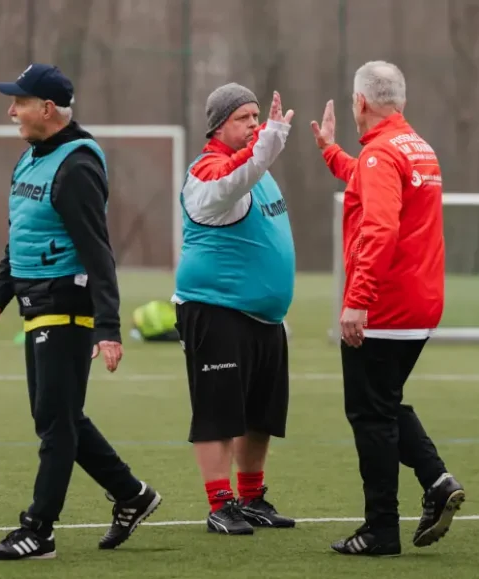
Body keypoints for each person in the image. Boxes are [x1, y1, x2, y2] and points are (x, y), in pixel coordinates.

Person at [0, 63, 161, 560]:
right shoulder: (32, 158)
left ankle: (38, 530)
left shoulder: (77, 166)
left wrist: (109, 327)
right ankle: (132, 494)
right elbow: (22, 232)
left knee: (55, 424)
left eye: (19, 102)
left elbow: (98, 252)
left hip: (67, 307)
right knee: (61, 417)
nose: (11, 111)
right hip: (37, 303)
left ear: (47, 109)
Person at [311, 60, 465, 557]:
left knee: (370, 414)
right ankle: (436, 480)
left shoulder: (381, 155)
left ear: (360, 103)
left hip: (386, 305)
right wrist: (332, 152)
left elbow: (380, 227)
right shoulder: (414, 148)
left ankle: (381, 529)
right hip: (420, 303)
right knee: (383, 402)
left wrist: (357, 301)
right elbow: (365, 179)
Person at [171, 83, 297, 535]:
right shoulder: (208, 171)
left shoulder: (258, 169)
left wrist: (265, 146)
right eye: (244, 118)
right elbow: (231, 179)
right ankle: (219, 503)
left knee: (260, 415)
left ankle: (251, 497)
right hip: (216, 310)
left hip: (264, 318)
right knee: (218, 413)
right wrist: (267, 144)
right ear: (219, 124)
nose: (254, 125)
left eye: (257, 116)